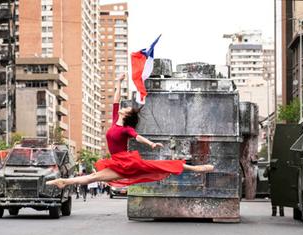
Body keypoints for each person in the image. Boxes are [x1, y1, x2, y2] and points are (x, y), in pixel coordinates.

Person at [48, 73, 214, 189]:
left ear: (127, 115)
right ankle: (64, 181)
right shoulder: (114, 120)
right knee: (93, 177)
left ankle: (195, 169)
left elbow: (138, 137)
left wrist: (151, 144)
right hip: (116, 163)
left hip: (127, 163)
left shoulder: (126, 129)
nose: (123, 107)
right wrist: (118, 82)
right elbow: (116, 98)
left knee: (159, 165)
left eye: (126, 108)